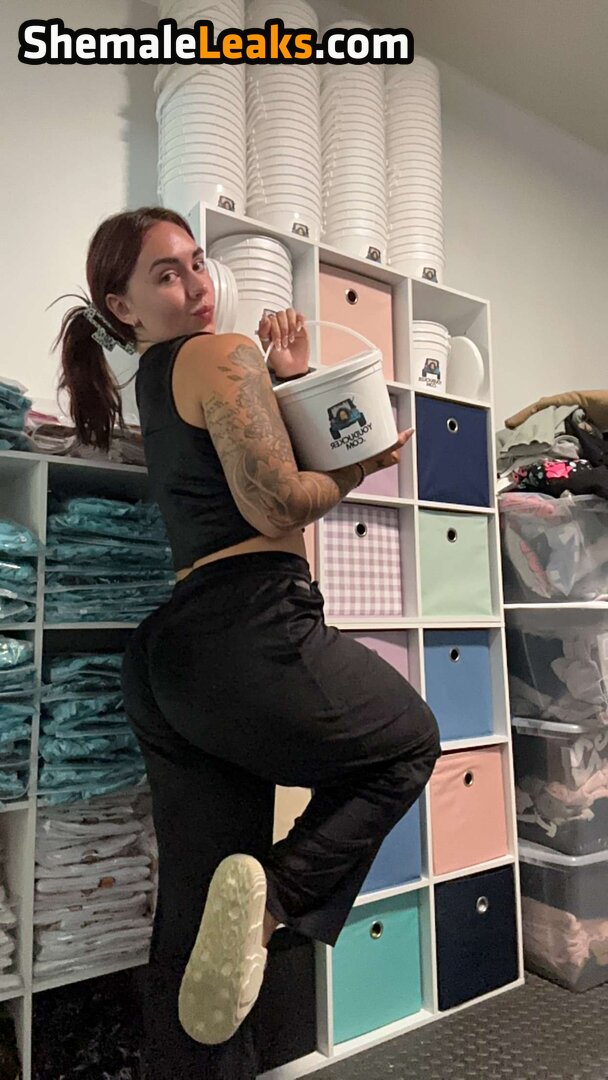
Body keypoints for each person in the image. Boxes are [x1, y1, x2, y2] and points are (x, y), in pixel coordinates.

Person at [53, 205, 441, 1079]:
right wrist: (361, 462)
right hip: (251, 625)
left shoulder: (156, 381)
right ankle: (275, 899)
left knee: (197, 917)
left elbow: (238, 470)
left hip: (170, 659)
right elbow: (276, 503)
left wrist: (285, 382)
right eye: (167, 274)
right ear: (122, 305)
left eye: (197, 263)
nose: (196, 285)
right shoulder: (217, 354)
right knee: (408, 742)